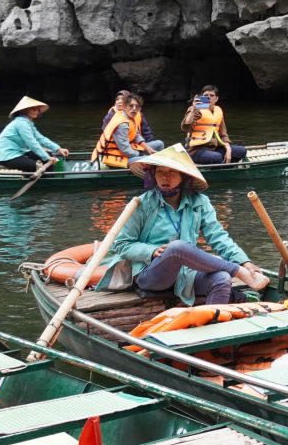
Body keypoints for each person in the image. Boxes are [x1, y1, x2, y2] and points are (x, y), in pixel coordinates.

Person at [103, 145, 267, 305]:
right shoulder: (141, 204)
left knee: (222, 279)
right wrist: (151, 251)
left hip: (187, 273)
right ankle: (236, 271)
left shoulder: (200, 202)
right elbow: (122, 245)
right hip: (150, 275)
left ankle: (214, 324)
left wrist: (244, 261)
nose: (164, 177)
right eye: (160, 172)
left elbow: (218, 237)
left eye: (171, 172)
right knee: (177, 248)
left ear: (184, 176)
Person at [0, 96, 69, 172]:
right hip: (7, 156)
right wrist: (47, 158)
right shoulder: (21, 123)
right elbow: (32, 143)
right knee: (38, 166)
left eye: (37, 109)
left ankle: (50, 178)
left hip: (20, 152)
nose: (37, 111)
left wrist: (58, 149)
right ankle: (44, 182)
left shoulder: (28, 123)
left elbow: (40, 138)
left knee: (49, 157)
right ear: (24, 110)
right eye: (33, 109)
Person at [182, 85, 247, 165]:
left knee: (241, 151)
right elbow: (185, 128)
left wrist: (228, 149)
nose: (209, 98)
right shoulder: (196, 109)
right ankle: (221, 167)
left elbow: (223, 134)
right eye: (206, 96)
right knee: (216, 157)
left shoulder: (218, 110)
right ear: (201, 97)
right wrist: (193, 110)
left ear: (216, 99)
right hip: (197, 150)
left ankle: (226, 166)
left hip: (215, 147)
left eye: (212, 95)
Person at [92, 93, 155, 169]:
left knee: (159, 144)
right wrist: (142, 154)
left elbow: (136, 135)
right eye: (131, 106)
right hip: (116, 157)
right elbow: (125, 150)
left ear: (140, 109)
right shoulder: (122, 124)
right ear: (124, 107)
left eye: (137, 106)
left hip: (126, 151)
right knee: (153, 161)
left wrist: (148, 149)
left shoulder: (131, 117)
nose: (134, 108)